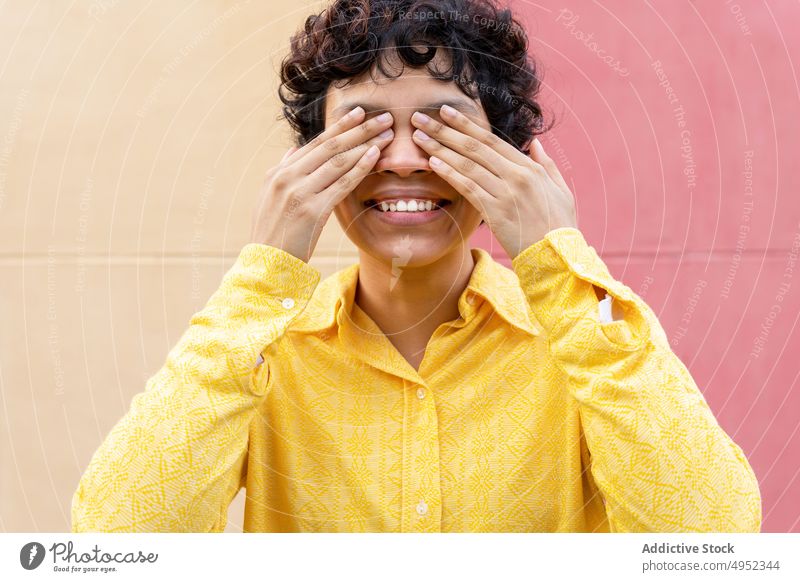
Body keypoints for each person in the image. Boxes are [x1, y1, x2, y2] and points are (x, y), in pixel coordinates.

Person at [71, 0, 761, 532]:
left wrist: (559, 261)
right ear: (312, 162)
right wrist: (264, 273)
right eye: (366, 128)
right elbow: (116, 541)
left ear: (510, 158)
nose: (403, 160)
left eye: (443, 128)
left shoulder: (585, 341)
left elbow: (713, 540)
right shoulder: (257, 347)